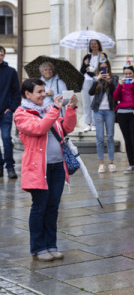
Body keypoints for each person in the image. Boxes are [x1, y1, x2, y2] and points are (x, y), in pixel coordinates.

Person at [14, 78, 78, 262]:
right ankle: (38, 248)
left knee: (52, 208)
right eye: (39, 92)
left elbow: (66, 128)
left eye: (44, 91)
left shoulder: (48, 110)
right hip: (37, 169)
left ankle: (51, 245)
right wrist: (56, 109)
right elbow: (39, 128)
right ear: (28, 94)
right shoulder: (21, 113)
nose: (44, 94)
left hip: (57, 166)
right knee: (39, 207)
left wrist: (71, 109)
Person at [113, 60, 134, 176]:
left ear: (133, 74)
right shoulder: (121, 83)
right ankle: (131, 164)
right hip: (122, 113)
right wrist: (119, 86)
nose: (127, 76)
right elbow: (115, 97)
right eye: (126, 74)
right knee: (127, 140)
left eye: (129, 74)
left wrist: (133, 86)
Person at [89, 58, 118, 173]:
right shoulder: (96, 78)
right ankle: (101, 163)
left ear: (109, 68)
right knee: (100, 138)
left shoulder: (114, 78)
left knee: (110, 136)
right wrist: (97, 80)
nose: (104, 69)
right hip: (98, 111)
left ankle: (111, 162)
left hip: (110, 110)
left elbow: (116, 94)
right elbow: (90, 92)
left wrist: (110, 82)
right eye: (101, 67)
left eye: (105, 67)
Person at [0, 45, 20, 179]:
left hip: (6, 112)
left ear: (4, 55)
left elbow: (16, 92)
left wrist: (12, 108)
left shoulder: (11, 71)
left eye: (1, 54)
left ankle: (10, 167)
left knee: (6, 138)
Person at [79, 39, 108, 132]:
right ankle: (88, 123)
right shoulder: (87, 56)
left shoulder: (103, 55)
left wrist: (92, 71)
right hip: (86, 81)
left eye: (95, 44)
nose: (93, 45)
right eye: (91, 44)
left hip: (97, 80)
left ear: (99, 45)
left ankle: (95, 123)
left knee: (95, 102)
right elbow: (82, 70)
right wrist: (86, 65)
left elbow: (103, 69)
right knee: (86, 102)